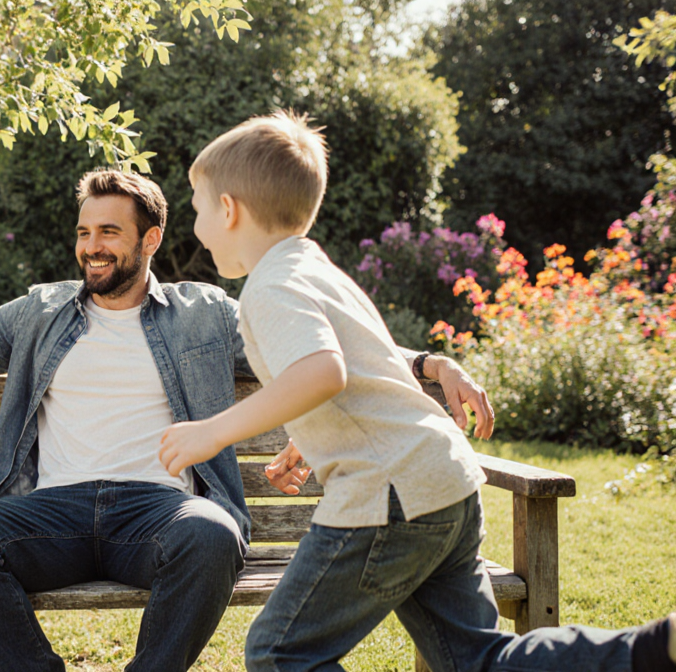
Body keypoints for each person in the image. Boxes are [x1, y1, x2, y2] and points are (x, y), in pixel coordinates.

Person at [0, 169, 495, 672]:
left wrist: (431, 364)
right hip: (53, 513)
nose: (92, 245)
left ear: (150, 239)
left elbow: (325, 349)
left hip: (160, 512)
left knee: (212, 534)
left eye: (110, 232)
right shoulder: (40, 310)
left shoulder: (205, 312)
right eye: (84, 231)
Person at [157, 110, 676, 672]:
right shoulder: (314, 270)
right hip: (443, 481)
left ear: (228, 209)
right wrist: (312, 432)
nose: (196, 226)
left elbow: (322, 371)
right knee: (477, 660)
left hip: (391, 494)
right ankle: (650, 649)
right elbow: (366, 372)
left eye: (197, 209)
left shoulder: (271, 286)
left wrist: (212, 432)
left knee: (279, 652)